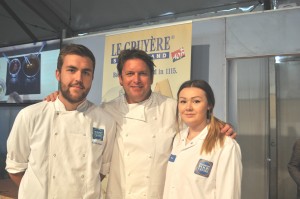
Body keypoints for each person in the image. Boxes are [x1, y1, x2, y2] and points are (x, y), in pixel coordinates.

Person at [45, 49, 236, 199]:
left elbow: (197, 124)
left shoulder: (170, 107)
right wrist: (57, 98)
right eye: (129, 74)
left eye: (143, 74)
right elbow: (75, 113)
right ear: (120, 79)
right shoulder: (105, 111)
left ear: (152, 78)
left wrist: (219, 126)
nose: (136, 80)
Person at [5, 44, 116, 199]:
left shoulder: (106, 122)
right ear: (58, 74)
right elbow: (15, 169)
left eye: (86, 72)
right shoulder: (30, 116)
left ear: (92, 77)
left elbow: (101, 172)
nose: (78, 78)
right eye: (71, 70)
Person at [163, 80, 242, 199]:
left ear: (209, 105)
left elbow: (228, 194)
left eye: (196, 101)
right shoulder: (178, 139)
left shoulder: (225, 144)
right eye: (183, 101)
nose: (188, 107)